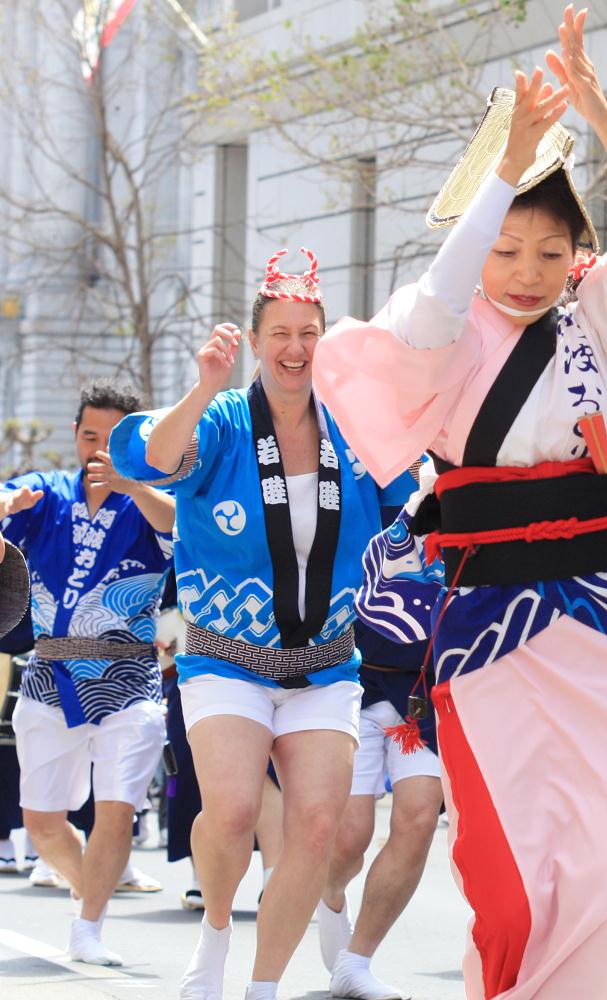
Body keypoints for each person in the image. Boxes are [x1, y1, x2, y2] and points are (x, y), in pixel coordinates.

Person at [310, 8, 607, 995]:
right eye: (506, 249)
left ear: (574, 254)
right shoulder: (441, 326)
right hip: (492, 627)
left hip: (606, 618)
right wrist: (506, 168)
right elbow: (439, 291)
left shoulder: (597, 310)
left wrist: (600, 115)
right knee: (515, 881)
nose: (527, 272)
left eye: (549, 252)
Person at [110, 248, 415, 1000]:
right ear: (255, 341)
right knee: (236, 810)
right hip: (224, 656)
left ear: (324, 341)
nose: (294, 349)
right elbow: (151, 459)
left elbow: (419, 490)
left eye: (308, 333)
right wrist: (202, 386)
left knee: (318, 830)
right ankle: (216, 930)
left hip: (325, 664)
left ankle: (263, 987)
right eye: (279, 333)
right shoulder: (221, 421)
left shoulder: (353, 427)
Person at [0, 378, 174, 967]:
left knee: (117, 806)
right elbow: (8, 499)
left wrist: (131, 481)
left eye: (113, 438)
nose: (98, 449)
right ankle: (90, 889)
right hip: (50, 676)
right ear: (75, 434)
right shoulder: (46, 493)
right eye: (89, 435)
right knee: (43, 824)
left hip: (129, 682)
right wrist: (5, 506)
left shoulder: (150, 496)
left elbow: (177, 525)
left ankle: (89, 927)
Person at [315, 497, 444, 1000]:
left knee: (418, 819)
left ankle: (357, 960)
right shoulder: (377, 494)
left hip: (430, 696)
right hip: (360, 683)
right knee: (349, 837)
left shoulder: (484, 505)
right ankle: (328, 894)